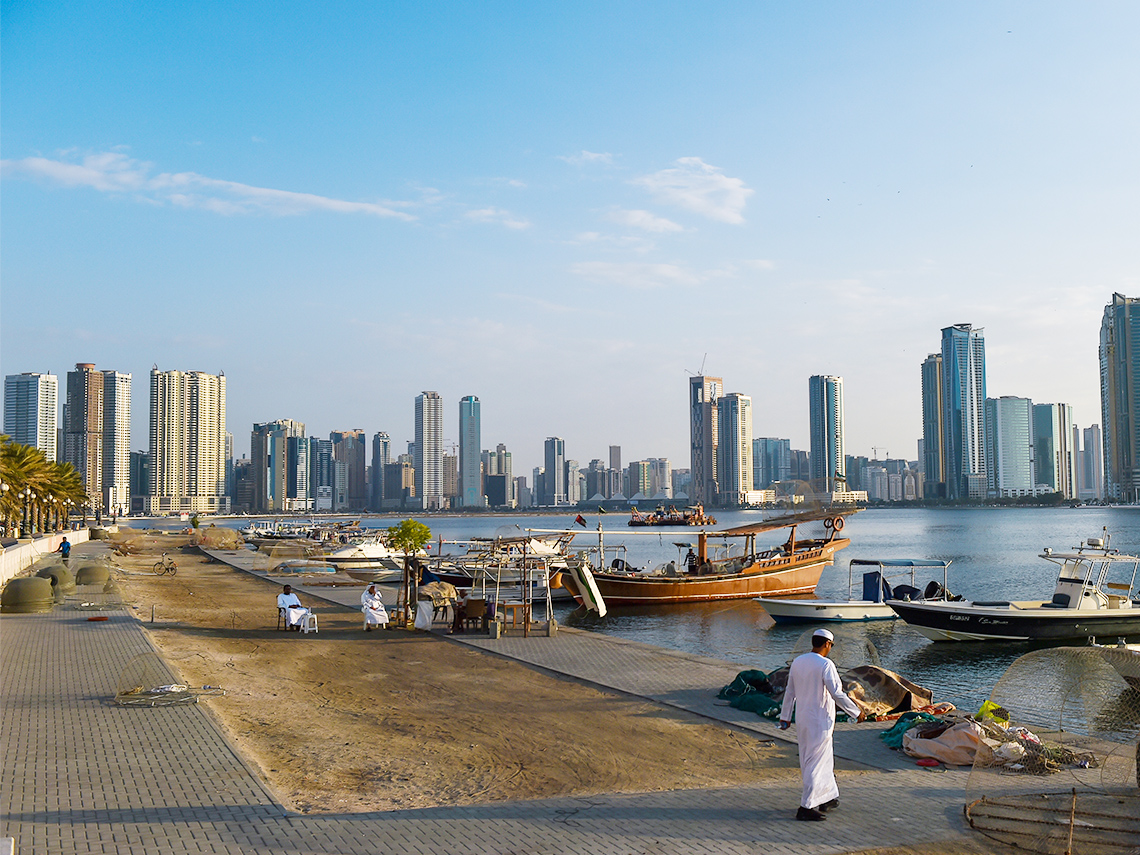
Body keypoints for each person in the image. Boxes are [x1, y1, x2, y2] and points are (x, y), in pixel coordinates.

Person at [778, 628, 865, 821]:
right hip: (820, 720)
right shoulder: (826, 664)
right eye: (831, 645)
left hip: (802, 718)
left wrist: (785, 717)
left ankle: (828, 797)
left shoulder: (798, 662)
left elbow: (789, 692)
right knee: (815, 762)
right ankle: (806, 806)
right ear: (827, 644)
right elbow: (836, 693)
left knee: (820, 759)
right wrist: (856, 711)